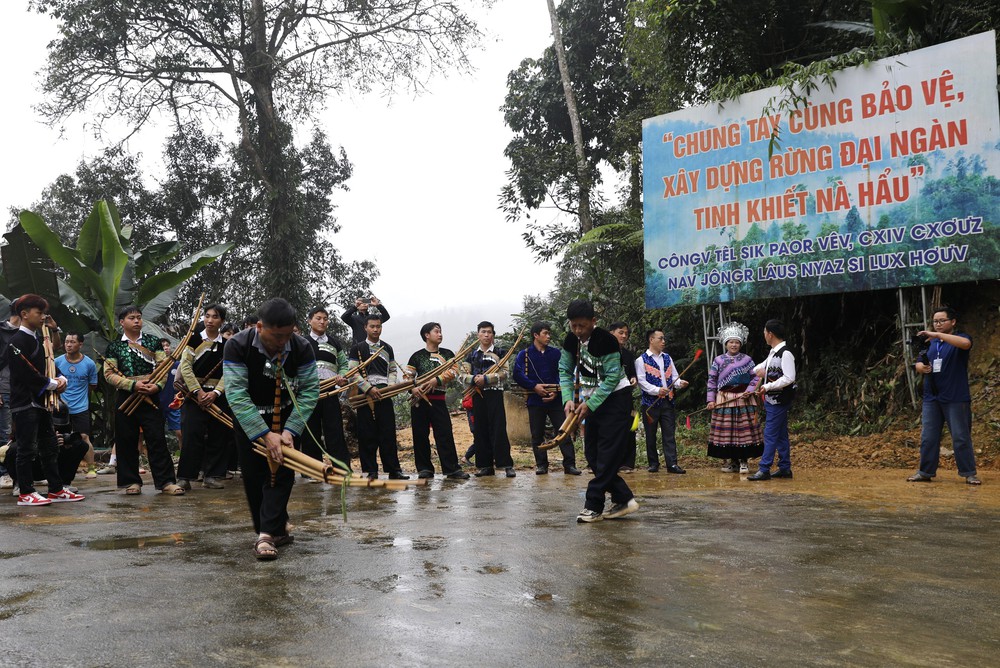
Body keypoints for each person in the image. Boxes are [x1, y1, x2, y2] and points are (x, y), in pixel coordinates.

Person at [223, 298, 319, 560]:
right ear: (259, 326)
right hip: (250, 418)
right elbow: (236, 393)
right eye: (277, 336)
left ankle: (266, 535)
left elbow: (310, 391)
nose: (282, 342)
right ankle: (274, 527)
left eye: (287, 336)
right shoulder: (237, 345)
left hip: (288, 418)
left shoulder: (301, 347)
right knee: (254, 476)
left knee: (281, 474)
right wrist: (265, 434)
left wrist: (289, 431)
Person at [561, 300, 637, 523]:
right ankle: (624, 498)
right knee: (592, 454)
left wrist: (590, 404)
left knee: (606, 454)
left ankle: (593, 505)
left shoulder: (607, 341)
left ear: (593, 322)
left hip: (615, 400)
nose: (578, 331)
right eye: (573, 326)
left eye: (582, 326)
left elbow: (613, 377)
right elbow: (564, 370)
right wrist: (568, 399)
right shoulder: (570, 340)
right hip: (592, 400)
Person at [8, 294, 84, 506]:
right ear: (24, 314)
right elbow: (26, 373)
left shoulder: (39, 340)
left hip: (41, 402)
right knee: (25, 449)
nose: (42, 317)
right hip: (24, 402)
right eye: (38, 312)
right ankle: (26, 492)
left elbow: (49, 364)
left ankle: (56, 489)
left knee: (49, 446)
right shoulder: (16, 341)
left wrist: (61, 378)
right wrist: (51, 383)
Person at [104, 305, 185, 495]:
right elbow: (108, 374)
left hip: (151, 395)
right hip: (126, 397)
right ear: (122, 322)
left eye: (139, 317)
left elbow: (162, 368)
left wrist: (157, 386)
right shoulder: (115, 346)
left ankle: (166, 482)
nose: (136, 321)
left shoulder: (153, 341)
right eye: (131, 318)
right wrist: (132, 386)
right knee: (126, 440)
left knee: (157, 438)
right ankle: (131, 482)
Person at [908, 306, 981, 485]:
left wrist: (938, 335)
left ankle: (968, 473)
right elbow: (918, 361)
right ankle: (925, 472)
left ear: (952, 322)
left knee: (960, 436)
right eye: (935, 322)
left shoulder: (961, 338)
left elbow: (966, 345)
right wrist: (920, 367)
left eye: (942, 321)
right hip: (932, 397)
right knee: (928, 437)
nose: (938, 324)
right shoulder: (930, 344)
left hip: (956, 397)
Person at [512, 321, 581, 475]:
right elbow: (517, 374)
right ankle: (541, 465)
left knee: (563, 430)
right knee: (537, 434)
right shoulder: (525, 354)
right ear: (536, 335)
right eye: (545, 333)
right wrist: (534, 387)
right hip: (535, 400)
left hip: (556, 400)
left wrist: (556, 390)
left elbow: (563, 373)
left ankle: (569, 464)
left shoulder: (556, 353)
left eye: (549, 333)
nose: (549, 336)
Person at [404, 322, 470, 480]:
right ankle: (425, 469)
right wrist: (413, 388)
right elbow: (407, 376)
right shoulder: (416, 356)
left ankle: (452, 469)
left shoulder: (447, 354)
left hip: (438, 400)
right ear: (427, 335)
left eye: (441, 332)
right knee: (420, 435)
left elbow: (454, 372)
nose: (440, 334)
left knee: (444, 434)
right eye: (437, 332)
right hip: (420, 400)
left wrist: (436, 380)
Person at [176, 304, 230, 490]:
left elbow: (229, 372)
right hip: (194, 396)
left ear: (221, 321)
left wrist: (216, 393)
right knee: (191, 434)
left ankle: (213, 475)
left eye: (215, 317)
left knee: (219, 434)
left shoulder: (227, 345)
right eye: (207, 316)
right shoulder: (192, 340)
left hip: (217, 396)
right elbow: (185, 367)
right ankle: (185, 477)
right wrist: (198, 392)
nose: (209, 320)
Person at [349, 314, 408, 480]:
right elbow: (352, 373)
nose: (376, 329)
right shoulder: (357, 348)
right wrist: (368, 388)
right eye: (372, 326)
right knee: (367, 433)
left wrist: (389, 387)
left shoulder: (387, 348)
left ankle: (394, 470)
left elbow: (393, 370)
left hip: (384, 395)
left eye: (378, 326)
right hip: (364, 396)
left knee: (388, 433)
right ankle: (370, 470)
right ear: (365, 328)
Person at [705, 322, 763, 474]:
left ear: (741, 344)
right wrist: (711, 400)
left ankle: (744, 461)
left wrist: (750, 390)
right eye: (731, 342)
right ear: (725, 343)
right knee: (728, 431)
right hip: (725, 399)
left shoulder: (747, 360)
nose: (734, 345)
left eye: (737, 342)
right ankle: (733, 462)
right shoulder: (718, 361)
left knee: (743, 431)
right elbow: (712, 381)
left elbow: (756, 377)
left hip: (744, 398)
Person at [460, 321, 515, 478]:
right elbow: (462, 376)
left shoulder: (501, 352)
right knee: (480, 430)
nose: (486, 335)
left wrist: (487, 378)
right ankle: (485, 466)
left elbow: (505, 374)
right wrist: (473, 379)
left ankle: (506, 464)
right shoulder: (471, 355)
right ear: (478, 335)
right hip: (477, 395)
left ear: (493, 335)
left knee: (498, 429)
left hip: (495, 394)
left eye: (489, 332)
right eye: (483, 332)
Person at [747, 319, 797, 481]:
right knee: (781, 434)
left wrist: (768, 386)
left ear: (770, 334)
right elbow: (761, 367)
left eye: (764, 332)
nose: (764, 335)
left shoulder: (785, 353)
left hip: (779, 400)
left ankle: (764, 468)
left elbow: (789, 378)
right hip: (772, 400)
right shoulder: (773, 352)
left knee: (769, 434)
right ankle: (784, 467)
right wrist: (756, 371)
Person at [303, 307, 351, 472]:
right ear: (309, 320)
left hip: (330, 391)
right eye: (318, 318)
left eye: (325, 318)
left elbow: (343, 364)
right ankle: (313, 469)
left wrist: (342, 376)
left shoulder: (334, 342)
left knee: (335, 430)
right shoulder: (302, 342)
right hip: (309, 393)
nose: (322, 321)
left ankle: (341, 468)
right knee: (311, 431)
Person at [636, 328, 688, 474]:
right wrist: (657, 390)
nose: (663, 341)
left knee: (669, 433)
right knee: (650, 434)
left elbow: (674, 378)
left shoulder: (667, 358)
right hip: (650, 403)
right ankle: (653, 463)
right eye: (660, 338)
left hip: (667, 402)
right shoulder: (641, 360)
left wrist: (680, 383)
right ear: (651, 340)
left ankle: (672, 464)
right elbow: (642, 382)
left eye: (664, 339)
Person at [54, 332, 99, 479]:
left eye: (72, 342)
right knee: (58, 438)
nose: (68, 345)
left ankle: (91, 468)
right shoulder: (57, 362)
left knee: (84, 437)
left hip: (81, 407)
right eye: (66, 342)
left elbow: (92, 385)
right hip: (60, 408)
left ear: (80, 344)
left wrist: (79, 398)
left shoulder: (89, 364)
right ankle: (55, 469)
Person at [609, 322, 639, 473]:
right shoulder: (602, 353)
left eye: (626, 333)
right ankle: (609, 461)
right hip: (607, 398)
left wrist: (633, 379)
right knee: (610, 430)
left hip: (626, 398)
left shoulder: (628, 354)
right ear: (611, 333)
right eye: (621, 332)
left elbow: (633, 374)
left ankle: (627, 462)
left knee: (629, 428)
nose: (624, 336)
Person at [158, 338, 184, 449]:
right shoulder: (155, 366)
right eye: (163, 346)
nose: (166, 347)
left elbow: (184, 381)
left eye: (167, 345)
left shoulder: (178, 364)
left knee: (180, 433)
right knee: (156, 434)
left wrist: (180, 393)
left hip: (175, 402)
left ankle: (184, 458)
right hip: (158, 403)